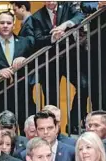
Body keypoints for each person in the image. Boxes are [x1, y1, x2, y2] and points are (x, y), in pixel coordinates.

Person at [32, 2, 88, 134]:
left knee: (84, 85)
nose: (51, 2)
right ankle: (55, 132)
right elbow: (38, 39)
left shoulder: (67, 7)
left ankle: (74, 122)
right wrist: (52, 37)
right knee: (52, 100)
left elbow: (79, 16)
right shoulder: (37, 17)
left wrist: (65, 25)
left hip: (71, 58)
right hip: (50, 62)